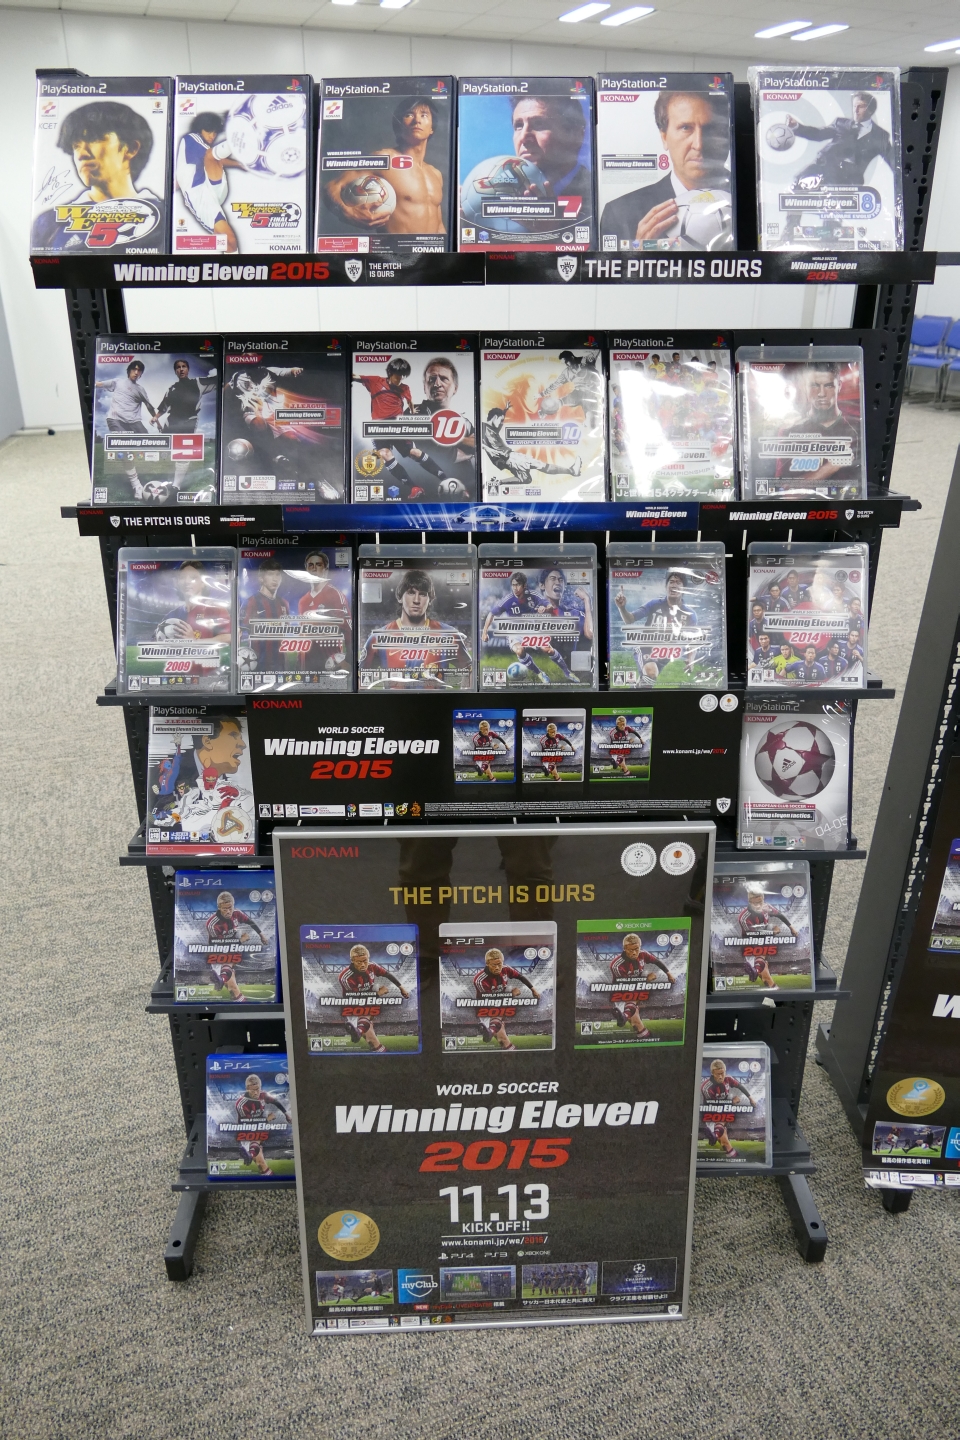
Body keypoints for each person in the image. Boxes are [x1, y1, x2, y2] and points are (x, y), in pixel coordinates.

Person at [599, 89, 732, 250]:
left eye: (711, 129)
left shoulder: (753, 205)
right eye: (686, 128)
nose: (698, 144)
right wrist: (637, 256)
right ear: (664, 137)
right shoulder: (621, 213)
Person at [32, 99, 160, 251]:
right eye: (76, 145)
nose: (81, 154)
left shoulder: (163, 216)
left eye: (93, 139)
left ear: (131, 148)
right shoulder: (49, 224)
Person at [781, 90, 893, 243]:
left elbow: (892, 159)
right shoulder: (841, 123)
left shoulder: (880, 136)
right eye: (854, 106)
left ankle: (828, 240)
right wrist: (797, 127)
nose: (855, 110)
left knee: (833, 203)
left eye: (860, 106)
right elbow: (818, 134)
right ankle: (789, 233)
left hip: (847, 177)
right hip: (822, 167)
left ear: (870, 110)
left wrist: (901, 178)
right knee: (797, 185)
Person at [324, 97, 446, 237]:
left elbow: (439, 225)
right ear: (400, 125)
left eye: (424, 115)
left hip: (433, 250)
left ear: (432, 128)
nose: (417, 120)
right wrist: (348, 214)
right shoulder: (385, 159)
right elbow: (332, 187)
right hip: (398, 249)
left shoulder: (435, 174)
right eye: (409, 115)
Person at [358, 567, 472, 688]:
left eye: (422, 594)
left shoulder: (449, 635)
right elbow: (361, 680)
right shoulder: (377, 638)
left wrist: (463, 695)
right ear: (400, 597)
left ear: (430, 600)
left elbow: (470, 671)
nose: (416, 600)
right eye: (411, 592)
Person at [777, 365, 860, 490]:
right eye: (815, 386)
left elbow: (860, 488)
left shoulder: (857, 430)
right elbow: (785, 492)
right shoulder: (789, 432)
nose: (821, 393)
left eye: (829, 386)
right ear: (805, 387)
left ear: (839, 386)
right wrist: (831, 466)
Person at [175, 111, 244, 253]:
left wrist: (241, 164)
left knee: (211, 156)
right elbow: (214, 156)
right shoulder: (191, 138)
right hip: (199, 196)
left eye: (215, 132)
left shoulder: (202, 149)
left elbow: (216, 158)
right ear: (199, 129)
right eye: (208, 131)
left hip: (210, 186)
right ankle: (195, 244)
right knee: (231, 243)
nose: (212, 136)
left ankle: (240, 135)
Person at [95, 359, 157, 498]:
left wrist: (156, 420)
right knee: (125, 448)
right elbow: (99, 384)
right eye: (134, 369)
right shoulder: (117, 382)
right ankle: (137, 486)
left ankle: (143, 465)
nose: (136, 372)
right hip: (116, 419)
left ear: (141, 374)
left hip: (134, 422)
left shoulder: (140, 390)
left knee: (151, 443)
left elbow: (149, 406)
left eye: (139, 370)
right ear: (129, 370)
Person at [481, 407, 582, 491]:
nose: (501, 423)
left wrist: (505, 410)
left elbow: (495, 426)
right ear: (495, 417)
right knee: (539, 465)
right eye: (501, 420)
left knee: (526, 479)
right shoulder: (482, 428)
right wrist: (487, 448)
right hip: (510, 457)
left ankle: (498, 482)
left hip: (506, 460)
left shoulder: (492, 428)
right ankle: (572, 471)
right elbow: (477, 442)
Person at [338, 943, 410, 1053]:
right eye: (359, 962)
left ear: (368, 958)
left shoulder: (372, 966)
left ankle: (360, 1032)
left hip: (368, 999)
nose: (363, 965)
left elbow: (387, 974)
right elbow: (356, 999)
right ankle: (360, 1031)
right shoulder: (346, 977)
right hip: (353, 1004)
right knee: (371, 1036)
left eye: (365, 961)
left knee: (371, 1037)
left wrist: (401, 988)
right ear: (352, 961)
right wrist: (378, 993)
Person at [203, 889, 269, 1002]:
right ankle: (223, 981)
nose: (228, 911)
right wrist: (241, 940)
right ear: (219, 907)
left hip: (233, 949)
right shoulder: (212, 924)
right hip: (217, 952)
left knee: (232, 986)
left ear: (233, 905)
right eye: (225, 909)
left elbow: (250, 921)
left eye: (230, 908)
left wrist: (261, 935)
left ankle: (222, 980)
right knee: (232, 986)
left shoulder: (237, 913)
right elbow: (221, 946)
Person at [609, 932, 675, 1040]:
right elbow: (626, 985)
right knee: (636, 1022)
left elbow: (656, 961)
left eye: (637, 949)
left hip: (635, 989)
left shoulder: (643, 954)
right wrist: (646, 980)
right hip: (621, 991)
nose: (634, 952)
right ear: (624, 949)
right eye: (631, 950)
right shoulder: (616, 965)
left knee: (637, 1023)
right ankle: (626, 1017)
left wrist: (668, 973)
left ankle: (627, 1019)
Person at [472, 947, 540, 1050]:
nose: (497, 968)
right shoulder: (480, 980)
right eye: (494, 965)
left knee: (503, 1040)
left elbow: (520, 976)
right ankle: (491, 1031)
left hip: (500, 1003)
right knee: (502, 1039)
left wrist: (533, 989)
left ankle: (491, 1032)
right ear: (487, 964)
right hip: (485, 1008)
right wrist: (511, 995)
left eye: (499, 964)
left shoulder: (505, 969)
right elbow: (490, 1001)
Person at [298, 551, 351, 672]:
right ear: (306, 569)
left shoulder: (335, 595)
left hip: (330, 664)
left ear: (326, 569)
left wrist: (349, 660)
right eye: (310, 565)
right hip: (307, 667)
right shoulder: (302, 601)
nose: (314, 568)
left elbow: (348, 629)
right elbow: (302, 635)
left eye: (318, 564)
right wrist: (299, 664)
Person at [737, 884, 798, 989]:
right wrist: (771, 931)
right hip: (750, 944)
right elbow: (753, 934)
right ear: (750, 902)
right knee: (766, 976)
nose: (758, 906)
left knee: (764, 971)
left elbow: (779, 915)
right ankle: (759, 972)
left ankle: (757, 970)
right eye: (755, 903)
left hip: (764, 941)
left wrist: (791, 927)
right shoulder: (744, 917)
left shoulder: (766, 907)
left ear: (763, 899)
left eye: (760, 902)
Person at [233, 1072, 290, 1176]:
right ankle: (250, 1152)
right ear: (247, 1089)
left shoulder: (263, 1095)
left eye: (257, 1089)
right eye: (252, 1090)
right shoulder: (241, 1104)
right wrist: (267, 1119)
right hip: (247, 1132)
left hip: (260, 1129)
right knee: (261, 1164)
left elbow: (275, 1101)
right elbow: (249, 1124)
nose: (256, 1093)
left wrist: (286, 1114)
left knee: (261, 1164)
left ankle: (251, 1152)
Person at [700, 1058, 754, 1159]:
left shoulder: (728, 1079)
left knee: (724, 1140)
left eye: (722, 1073)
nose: (721, 1076)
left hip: (723, 1108)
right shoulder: (706, 1087)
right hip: (710, 1112)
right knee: (724, 1139)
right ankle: (732, 1156)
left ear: (725, 1071)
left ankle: (717, 1138)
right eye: (718, 1074)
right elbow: (713, 1105)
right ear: (712, 1073)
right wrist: (731, 1102)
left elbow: (740, 1086)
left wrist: (750, 1098)